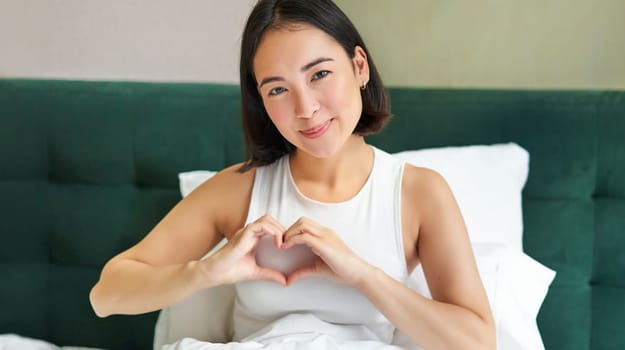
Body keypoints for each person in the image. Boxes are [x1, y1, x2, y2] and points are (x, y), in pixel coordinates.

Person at [89, 0, 495, 348]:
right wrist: (208, 270)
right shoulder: (239, 189)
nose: (305, 108)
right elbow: (105, 295)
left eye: (319, 74)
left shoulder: (417, 193)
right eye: (277, 89)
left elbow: (477, 342)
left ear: (359, 67)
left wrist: (361, 274)